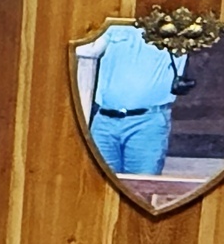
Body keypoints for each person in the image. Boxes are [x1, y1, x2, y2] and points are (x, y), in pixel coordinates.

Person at [78, 23, 184, 176]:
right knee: (97, 182)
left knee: (141, 185)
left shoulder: (176, 26)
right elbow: (88, 50)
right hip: (104, 122)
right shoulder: (114, 25)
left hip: (147, 123)